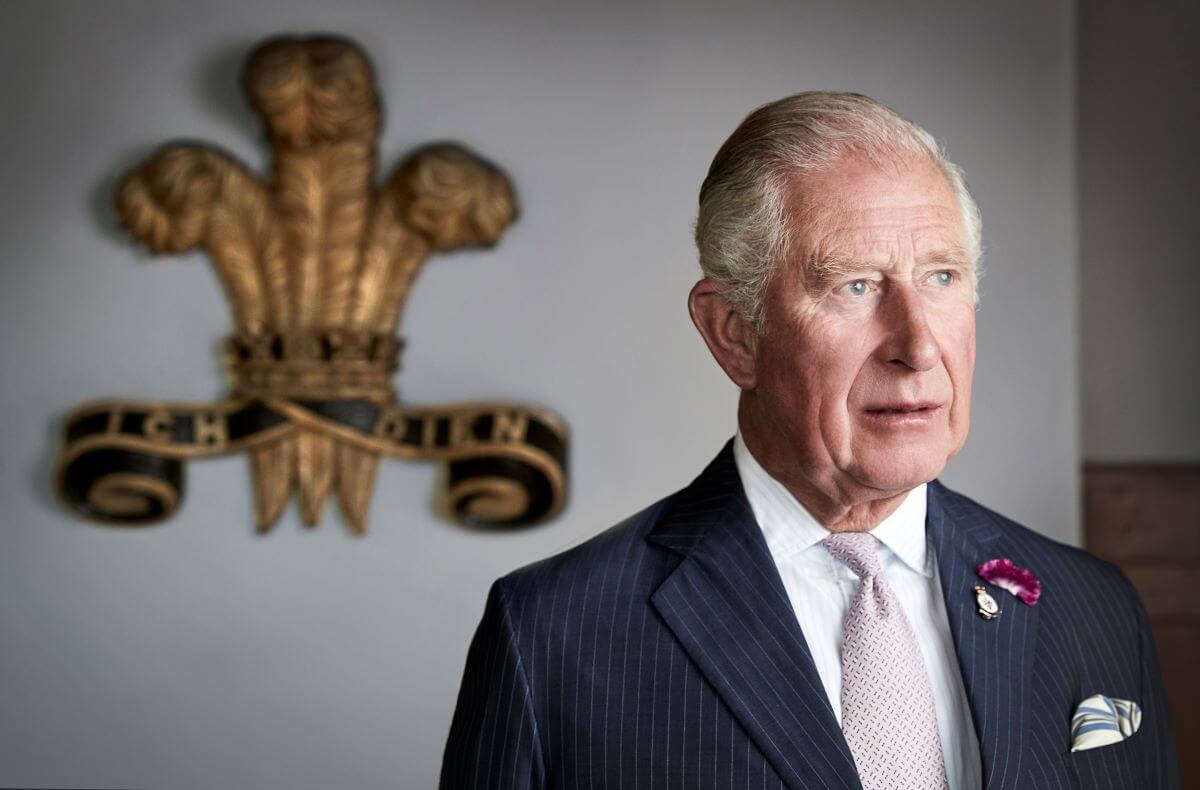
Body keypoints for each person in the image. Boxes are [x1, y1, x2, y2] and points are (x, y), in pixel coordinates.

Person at [440, 92, 1180, 789]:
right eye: (855, 285)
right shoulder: (554, 634)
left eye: (942, 277)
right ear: (735, 333)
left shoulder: (1094, 606)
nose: (918, 347)